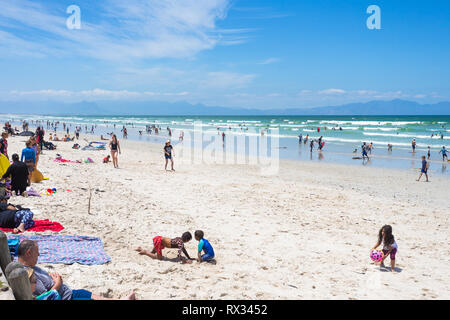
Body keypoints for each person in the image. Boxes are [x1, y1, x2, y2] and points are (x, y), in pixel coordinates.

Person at [17, 240, 136, 300]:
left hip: (68, 292)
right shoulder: (28, 275)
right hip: (65, 298)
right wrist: (57, 283)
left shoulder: (29, 266)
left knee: (91, 295)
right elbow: (46, 297)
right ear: (28, 253)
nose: (39, 254)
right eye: (37, 252)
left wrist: (51, 277)